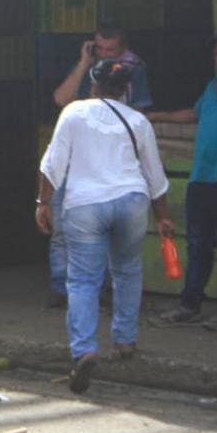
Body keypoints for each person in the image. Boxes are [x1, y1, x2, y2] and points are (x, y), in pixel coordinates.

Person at [37, 59, 173, 394]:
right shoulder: (138, 121)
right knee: (127, 270)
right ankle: (125, 341)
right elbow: (155, 178)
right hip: (132, 201)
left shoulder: (74, 113)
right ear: (127, 88)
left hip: (85, 205)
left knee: (83, 280)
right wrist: (163, 217)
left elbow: (53, 164)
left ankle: (84, 349)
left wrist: (43, 203)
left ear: (93, 85)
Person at [148, 27, 217, 331]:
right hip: (201, 179)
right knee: (198, 245)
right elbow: (192, 115)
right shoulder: (211, 89)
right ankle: (189, 305)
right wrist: (155, 116)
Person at [46, 24, 153, 308]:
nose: (104, 56)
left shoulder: (133, 71)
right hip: (74, 162)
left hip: (110, 165)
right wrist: (84, 63)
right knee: (60, 229)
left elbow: (140, 113)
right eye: (99, 49)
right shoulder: (87, 72)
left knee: (105, 236)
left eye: (111, 51)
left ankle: (98, 291)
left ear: (123, 50)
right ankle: (61, 290)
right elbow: (60, 98)